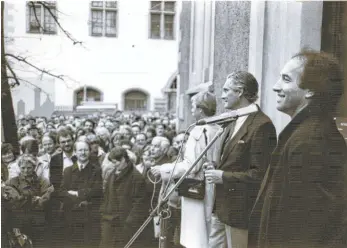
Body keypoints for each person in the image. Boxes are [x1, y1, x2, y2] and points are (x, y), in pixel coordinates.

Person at [249, 51, 347, 248]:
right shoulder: (305, 134)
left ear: (310, 90)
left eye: (286, 79)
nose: (276, 87)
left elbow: (306, 228)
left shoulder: (310, 140)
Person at [203, 71, 277, 248]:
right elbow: (232, 161)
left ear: (240, 91)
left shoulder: (262, 125)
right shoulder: (232, 119)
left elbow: (261, 175)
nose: (221, 96)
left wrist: (223, 176)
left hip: (240, 213)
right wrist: (215, 166)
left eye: (226, 90)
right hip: (220, 210)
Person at [151, 90, 221, 248]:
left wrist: (163, 169)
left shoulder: (198, 131)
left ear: (200, 109)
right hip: (214, 187)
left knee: (197, 239)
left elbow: (190, 165)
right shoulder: (218, 128)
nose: (191, 110)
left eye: (192, 106)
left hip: (198, 192)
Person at [99, 146, 149, 248]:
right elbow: (107, 197)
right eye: (112, 162)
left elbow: (139, 205)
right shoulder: (112, 174)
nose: (114, 165)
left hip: (125, 226)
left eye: (115, 162)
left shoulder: (136, 177)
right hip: (109, 222)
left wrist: (128, 223)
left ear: (123, 159)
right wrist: (104, 213)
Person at [60, 141, 102, 248]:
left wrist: (77, 193)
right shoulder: (68, 171)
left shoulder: (96, 170)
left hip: (90, 217)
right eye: (80, 150)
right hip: (71, 217)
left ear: (89, 152)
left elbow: (97, 191)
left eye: (85, 150)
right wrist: (84, 195)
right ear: (75, 152)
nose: (83, 153)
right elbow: (62, 192)